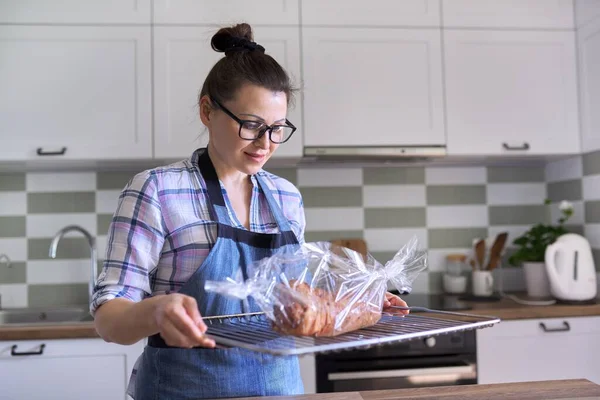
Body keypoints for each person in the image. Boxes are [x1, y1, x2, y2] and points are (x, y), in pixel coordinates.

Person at [91, 23, 409, 400]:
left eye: (277, 128)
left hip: (280, 391)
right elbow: (109, 318)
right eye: (251, 125)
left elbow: (293, 301)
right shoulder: (158, 190)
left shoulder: (286, 197)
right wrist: (157, 311)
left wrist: (355, 304)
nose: (265, 143)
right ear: (207, 110)